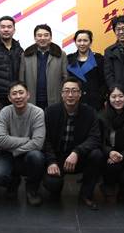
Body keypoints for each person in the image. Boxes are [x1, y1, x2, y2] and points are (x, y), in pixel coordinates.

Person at [43, 78, 103, 209]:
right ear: (62, 94)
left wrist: (77, 152)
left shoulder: (90, 112)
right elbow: (45, 139)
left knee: (97, 154)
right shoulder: (50, 112)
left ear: (80, 94)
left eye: (74, 91)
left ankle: (86, 194)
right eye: (67, 91)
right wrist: (51, 161)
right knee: (53, 184)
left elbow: (95, 138)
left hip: (79, 158)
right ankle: (54, 190)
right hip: (57, 158)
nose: (70, 95)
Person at [0, 82, 46, 206]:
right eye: (14, 94)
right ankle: (13, 182)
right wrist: (27, 139)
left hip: (28, 153)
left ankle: (32, 189)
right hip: (8, 154)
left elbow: (38, 143)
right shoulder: (5, 111)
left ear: (28, 95)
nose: (18, 96)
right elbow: (0, 140)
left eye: (21, 93)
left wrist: (15, 151)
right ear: (9, 98)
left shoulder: (38, 112)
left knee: (37, 157)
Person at [19, 24, 68, 109]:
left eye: (46, 35)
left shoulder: (60, 54)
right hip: (31, 99)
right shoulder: (26, 55)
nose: (42, 38)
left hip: (55, 99)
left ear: (51, 37)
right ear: (35, 38)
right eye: (39, 35)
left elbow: (65, 78)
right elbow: (21, 79)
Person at [67, 29, 106, 110]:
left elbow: (104, 82)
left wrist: (101, 97)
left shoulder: (99, 59)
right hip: (74, 102)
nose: (82, 43)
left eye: (85, 40)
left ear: (90, 42)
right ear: (75, 42)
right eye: (79, 41)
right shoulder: (69, 59)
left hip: (95, 104)